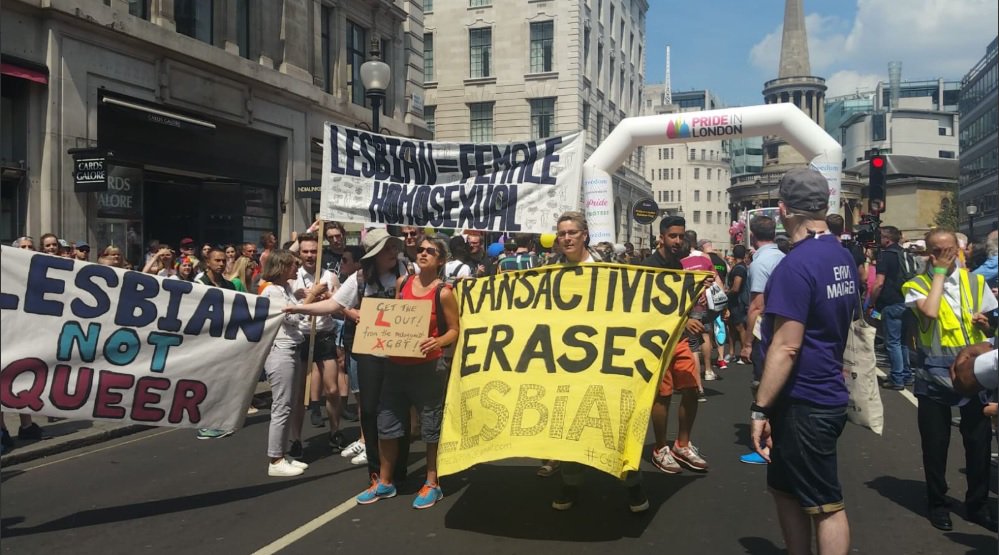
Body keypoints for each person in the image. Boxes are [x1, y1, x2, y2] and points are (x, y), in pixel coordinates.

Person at [750, 168, 857, 555]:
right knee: (785, 488)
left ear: (783, 210)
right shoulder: (840, 255)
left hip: (806, 399)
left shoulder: (795, 266)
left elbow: (786, 346)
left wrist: (760, 407)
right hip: (819, 390)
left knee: (825, 503)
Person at [285, 229, 412, 485]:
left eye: (392, 247)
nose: (392, 253)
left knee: (398, 410)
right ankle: (376, 472)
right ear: (373, 255)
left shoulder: (408, 274)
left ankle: (399, 470)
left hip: (401, 354)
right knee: (369, 410)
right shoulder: (360, 279)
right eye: (386, 249)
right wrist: (299, 307)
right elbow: (333, 305)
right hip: (369, 352)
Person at [351, 235, 460, 509]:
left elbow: (455, 330)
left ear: (441, 259)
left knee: (430, 426)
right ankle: (385, 481)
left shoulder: (444, 291)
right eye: (420, 249)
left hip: (428, 368)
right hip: (396, 366)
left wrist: (438, 341)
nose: (423, 253)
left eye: (430, 251)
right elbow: (396, 319)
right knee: (387, 424)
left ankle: (432, 482)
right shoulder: (404, 283)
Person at [552, 211, 650, 513]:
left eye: (572, 232)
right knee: (569, 425)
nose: (567, 238)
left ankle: (632, 484)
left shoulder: (609, 266)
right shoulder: (548, 272)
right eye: (562, 233)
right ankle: (570, 482)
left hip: (607, 361)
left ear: (585, 235)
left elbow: (636, 300)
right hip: (566, 363)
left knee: (615, 424)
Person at [902, 228, 997, 533]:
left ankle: (978, 504)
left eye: (948, 250)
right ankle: (937, 503)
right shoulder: (916, 284)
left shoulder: (976, 281)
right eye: (936, 251)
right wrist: (939, 273)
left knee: (978, 441)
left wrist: (986, 325)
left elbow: (990, 327)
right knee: (935, 442)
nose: (942, 255)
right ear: (928, 254)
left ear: (958, 250)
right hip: (933, 373)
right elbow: (928, 313)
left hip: (973, 372)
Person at [643, 216, 709, 474]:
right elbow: (648, 308)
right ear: (661, 237)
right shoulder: (649, 266)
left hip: (678, 338)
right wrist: (684, 323)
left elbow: (680, 302)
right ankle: (660, 448)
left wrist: (696, 298)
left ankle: (682, 444)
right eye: (673, 236)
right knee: (663, 395)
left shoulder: (680, 265)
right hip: (657, 342)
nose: (678, 241)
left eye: (681, 236)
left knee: (691, 388)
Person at [259, 249, 316, 477]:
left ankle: (281, 453)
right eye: (293, 264)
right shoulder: (272, 291)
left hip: (291, 348)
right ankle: (275, 459)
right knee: (281, 405)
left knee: (289, 404)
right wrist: (309, 300)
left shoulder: (285, 289)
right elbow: (292, 317)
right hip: (280, 350)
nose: (296, 268)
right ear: (282, 267)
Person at [294, 233, 347, 450]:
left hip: (324, 336)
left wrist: (329, 299)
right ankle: (296, 439)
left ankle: (334, 431)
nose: (309, 255)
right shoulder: (292, 276)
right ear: (299, 253)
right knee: (298, 393)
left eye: (314, 251)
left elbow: (341, 310)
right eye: (305, 251)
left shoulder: (329, 277)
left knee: (332, 389)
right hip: (301, 336)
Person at [194, 247, 240, 440]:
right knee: (207, 381)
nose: (221, 264)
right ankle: (204, 424)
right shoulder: (199, 283)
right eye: (217, 261)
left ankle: (218, 420)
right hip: (204, 342)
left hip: (224, 341)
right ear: (208, 263)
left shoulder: (229, 286)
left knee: (221, 382)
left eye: (223, 261)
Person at [869, 226, 916, 390]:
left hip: (890, 303)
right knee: (903, 342)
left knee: (893, 342)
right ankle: (906, 374)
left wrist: (871, 302)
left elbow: (879, 282)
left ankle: (897, 378)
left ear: (887, 239)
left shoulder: (886, 256)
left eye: (880, 237)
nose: (877, 240)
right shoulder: (906, 254)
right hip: (907, 301)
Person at [744, 215, 785, 390]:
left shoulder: (759, 263)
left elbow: (757, 306)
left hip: (765, 330)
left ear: (752, 236)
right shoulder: (784, 257)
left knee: (762, 382)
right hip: (785, 326)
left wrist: (747, 344)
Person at [726, 244, 750, 364]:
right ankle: (731, 353)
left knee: (740, 327)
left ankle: (743, 353)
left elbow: (736, 288)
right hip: (734, 302)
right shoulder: (739, 267)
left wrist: (726, 293)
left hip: (737, 302)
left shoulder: (739, 269)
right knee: (731, 327)